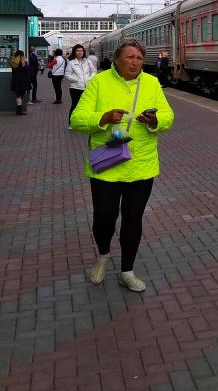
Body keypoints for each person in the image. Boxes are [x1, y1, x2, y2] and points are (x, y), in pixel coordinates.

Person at [71, 39, 174, 292]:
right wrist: (103, 117)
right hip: (107, 164)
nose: (135, 63)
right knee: (104, 216)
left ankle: (127, 271)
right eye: (129, 58)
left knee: (133, 218)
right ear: (116, 59)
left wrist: (154, 121)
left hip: (141, 165)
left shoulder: (151, 83)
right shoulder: (99, 82)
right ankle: (103, 255)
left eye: (139, 58)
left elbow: (168, 116)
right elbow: (77, 119)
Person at [65, 44, 96, 128]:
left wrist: (90, 79)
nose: (80, 52)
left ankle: (83, 122)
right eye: (78, 51)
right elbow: (67, 74)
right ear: (75, 52)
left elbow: (94, 71)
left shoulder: (88, 62)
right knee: (75, 105)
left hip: (86, 87)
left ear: (84, 52)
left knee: (86, 105)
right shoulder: (71, 63)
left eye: (81, 51)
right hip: (75, 88)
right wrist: (76, 80)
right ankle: (71, 123)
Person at [10, 50, 31, 115]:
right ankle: (19, 111)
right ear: (22, 55)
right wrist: (26, 62)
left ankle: (18, 110)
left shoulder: (13, 61)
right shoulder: (22, 61)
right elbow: (26, 69)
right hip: (22, 81)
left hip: (15, 80)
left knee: (18, 95)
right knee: (20, 95)